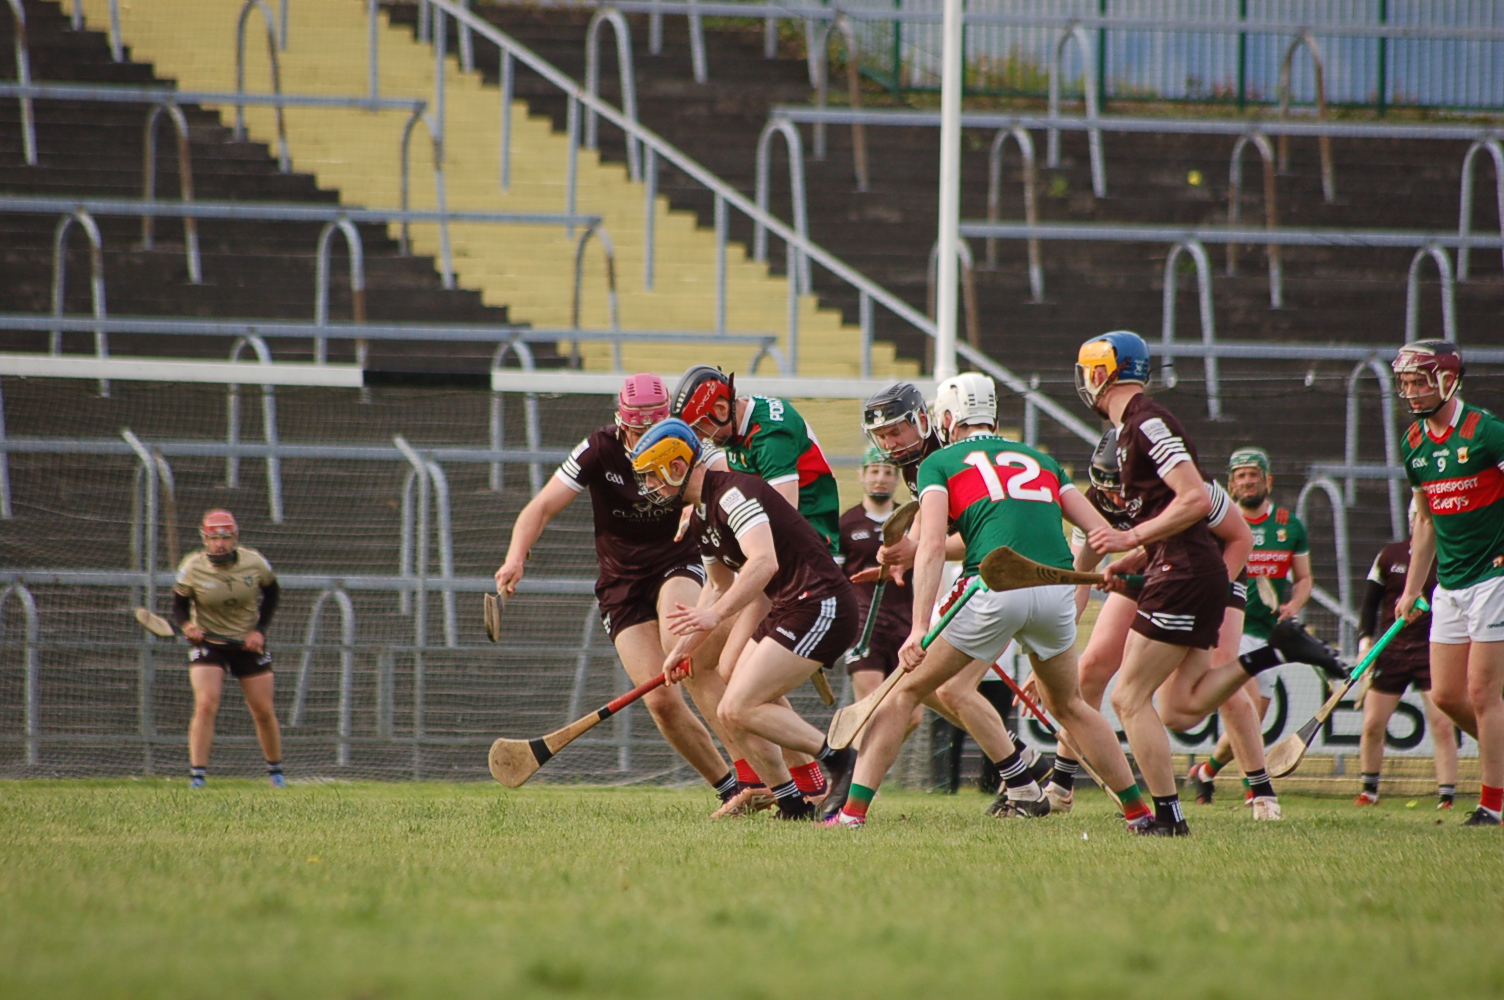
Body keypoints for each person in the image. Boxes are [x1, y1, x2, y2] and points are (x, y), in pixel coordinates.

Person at [827, 373, 1147, 829]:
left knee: (904, 691)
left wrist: (919, 627)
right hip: (1055, 591)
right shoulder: (1043, 460)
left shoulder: (940, 464)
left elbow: (936, 545)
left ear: (945, 418)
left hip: (992, 589)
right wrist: (1140, 554)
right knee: (1072, 705)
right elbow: (1103, 535)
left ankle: (851, 816)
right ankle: (1138, 813)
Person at [1073, 332, 1337, 834]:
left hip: (1184, 573)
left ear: (1104, 372)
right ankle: (1275, 652)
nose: (1085, 382)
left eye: (1088, 370)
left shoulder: (1145, 423)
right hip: (1184, 569)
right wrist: (1132, 556)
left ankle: (1169, 818)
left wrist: (1132, 536)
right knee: (1181, 708)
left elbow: (1193, 500)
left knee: (1128, 697)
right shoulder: (1135, 428)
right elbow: (1176, 514)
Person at [494, 375, 739, 813]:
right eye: (638, 430)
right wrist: (516, 558)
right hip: (620, 585)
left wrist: (705, 504)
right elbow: (542, 507)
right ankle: (733, 790)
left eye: (655, 427)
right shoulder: (598, 449)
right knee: (661, 700)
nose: (648, 439)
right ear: (621, 424)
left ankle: (758, 772)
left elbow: (727, 481)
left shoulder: (689, 442)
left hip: (676, 562)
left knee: (678, 644)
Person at [632, 418, 859, 821]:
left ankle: (839, 759)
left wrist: (712, 617)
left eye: (652, 476)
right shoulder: (702, 516)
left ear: (677, 467)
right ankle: (790, 802)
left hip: (822, 602)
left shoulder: (733, 494)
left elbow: (763, 563)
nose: (649, 486)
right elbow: (717, 586)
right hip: (792, 605)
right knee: (728, 707)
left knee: (739, 705)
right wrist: (682, 650)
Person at [1042, 428, 1270, 818]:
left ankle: (1261, 791)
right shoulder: (1093, 502)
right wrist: (1052, 647)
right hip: (1149, 568)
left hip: (1212, 569)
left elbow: (1242, 539)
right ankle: (1062, 784)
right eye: (1106, 488)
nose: (1115, 498)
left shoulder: (1178, 479)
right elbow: (1081, 578)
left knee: (1218, 671)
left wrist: (1212, 596)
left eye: (1121, 487)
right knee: (1092, 666)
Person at [1393, 340, 1504, 826]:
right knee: (1446, 696)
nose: (1411, 392)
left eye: (1420, 381)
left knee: (1482, 694)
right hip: (1451, 582)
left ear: (1447, 380)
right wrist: (1411, 588)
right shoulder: (1413, 443)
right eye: (1406, 383)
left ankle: (1492, 803)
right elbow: (1426, 521)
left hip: (1494, 575)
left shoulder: (1487, 432)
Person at [1186, 447, 1312, 807]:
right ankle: (1256, 788)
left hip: (1266, 633)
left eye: (1254, 474)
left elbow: (1303, 579)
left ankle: (1206, 772)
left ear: (1268, 480)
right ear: (1230, 484)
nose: (1247, 481)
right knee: (1249, 704)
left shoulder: (1290, 525)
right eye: (1240, 476)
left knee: (1253, 716)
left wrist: (1294, 604)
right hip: (1232, 627)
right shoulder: (1222, 523)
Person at [671, 366, 841, 554]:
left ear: (720, 409)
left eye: (699, 428)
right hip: (778, 540)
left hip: (808, 544)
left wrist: (712, 516)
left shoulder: (771, 437)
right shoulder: (738, 421)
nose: (701, 438)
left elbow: (783, 514)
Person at [172, 509, 283, 789]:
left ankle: (276, 774)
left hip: (246, 642)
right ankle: (197, 777)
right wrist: (187, 626)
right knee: (207, 703)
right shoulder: (192, 567)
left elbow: (272, 593)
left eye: (225, 537)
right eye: (213, 538)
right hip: (209, 643)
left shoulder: (254, 562)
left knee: (262, 710)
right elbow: (179, 604)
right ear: (204, 539)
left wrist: (259, 631)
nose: (219, 544)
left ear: (235, 538)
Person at [1355, 505, 1457, 808]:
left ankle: (1446, 796)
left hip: (1431, 649)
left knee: (1441, 724)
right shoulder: (1389, 556)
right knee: (1373, 723)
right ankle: (1368, 791)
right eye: (1417, 517)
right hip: (1391, 650)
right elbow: (1369, 603)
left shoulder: (1448, 557)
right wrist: (1365, 644)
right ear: (1412, 519)